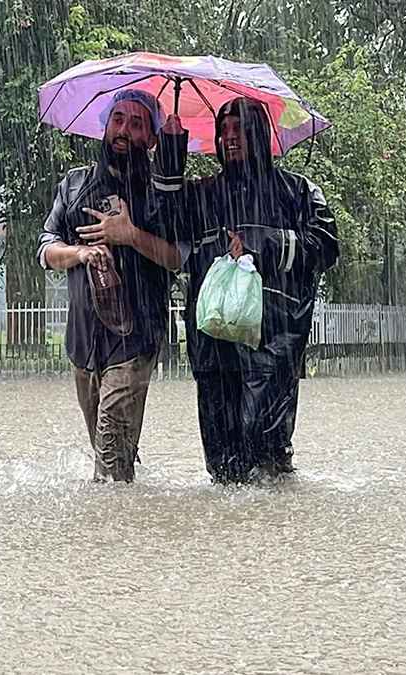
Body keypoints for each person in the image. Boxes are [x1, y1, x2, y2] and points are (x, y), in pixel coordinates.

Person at [157, 98, 340, 484]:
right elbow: (165, 224)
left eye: (240, 130)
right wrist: (171, 154)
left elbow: (325, 246)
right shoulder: (203, 194)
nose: (230, 139)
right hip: (212, 343)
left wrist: (264, 243)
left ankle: (273, 535)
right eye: (224, 131)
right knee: (222, 463)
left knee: (267, 455)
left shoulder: (298, 192)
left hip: (275, 341)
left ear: (261, 134)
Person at [37, 89, 183, 483]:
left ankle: (110, 535)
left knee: (110, 456)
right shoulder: (74, 185)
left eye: (137, 124)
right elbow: (46, 249)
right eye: (117, 119)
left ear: (152, 138)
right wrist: (80, 255)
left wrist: (131, 235)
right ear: (104, 126)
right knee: (112, 459)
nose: (124, 130)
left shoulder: (163, 194)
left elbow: (179, 258)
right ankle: (121, 528)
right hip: (83, 343)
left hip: (135, 341)